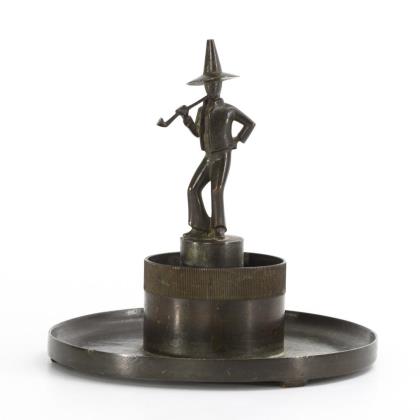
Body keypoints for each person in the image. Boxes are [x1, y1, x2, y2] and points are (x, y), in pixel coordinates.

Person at [177, 40, 255, 240]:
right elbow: (197, 133)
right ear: (204, 86)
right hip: (208, 156)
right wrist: (186, 118)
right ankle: (200, 226)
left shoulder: (228, 110)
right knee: (193, 189)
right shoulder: (202, 111)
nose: (213, 87)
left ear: (221, 84)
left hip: (222, 155)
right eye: (209, 84)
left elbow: (250, 124)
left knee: (216, 190)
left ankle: (218, 228)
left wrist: (237, 140)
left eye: (216, 83)